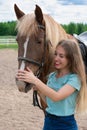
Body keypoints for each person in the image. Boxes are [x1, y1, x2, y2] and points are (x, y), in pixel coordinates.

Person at [16, 39, 87, 130]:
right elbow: (49, 101)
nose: (56, 58)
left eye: (61, 56)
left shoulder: (74, 79)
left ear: (71, 59)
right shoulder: (52, 76)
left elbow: (57, 97)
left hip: (66, 124)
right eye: (56, 54)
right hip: (49, 121)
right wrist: (39, 90)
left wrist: (36, 81)